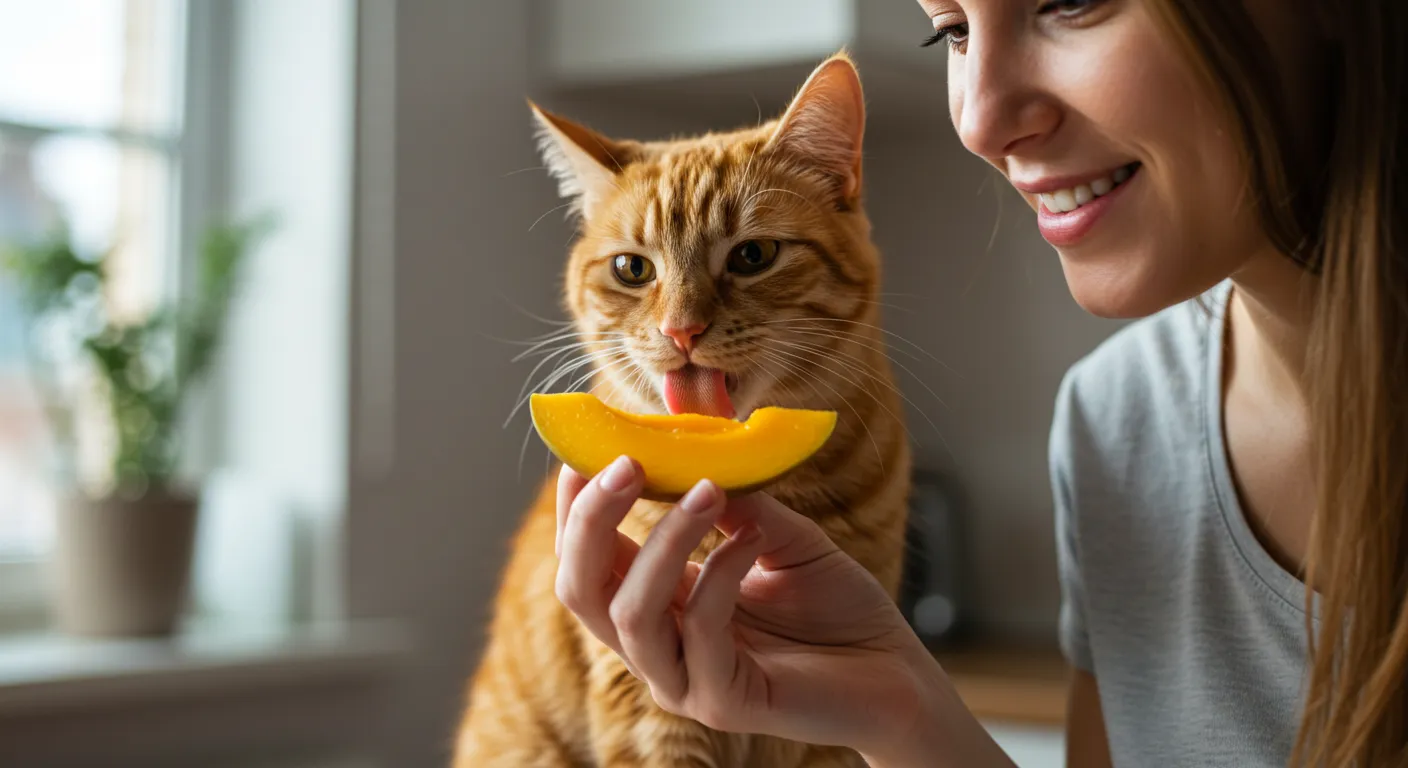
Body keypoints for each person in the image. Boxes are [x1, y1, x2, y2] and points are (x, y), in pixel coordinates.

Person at [551, 0, 1408, 764]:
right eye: (951, 30)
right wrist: (904, 712)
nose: (980, 119)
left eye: (1071, 3)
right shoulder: (1112, 418)